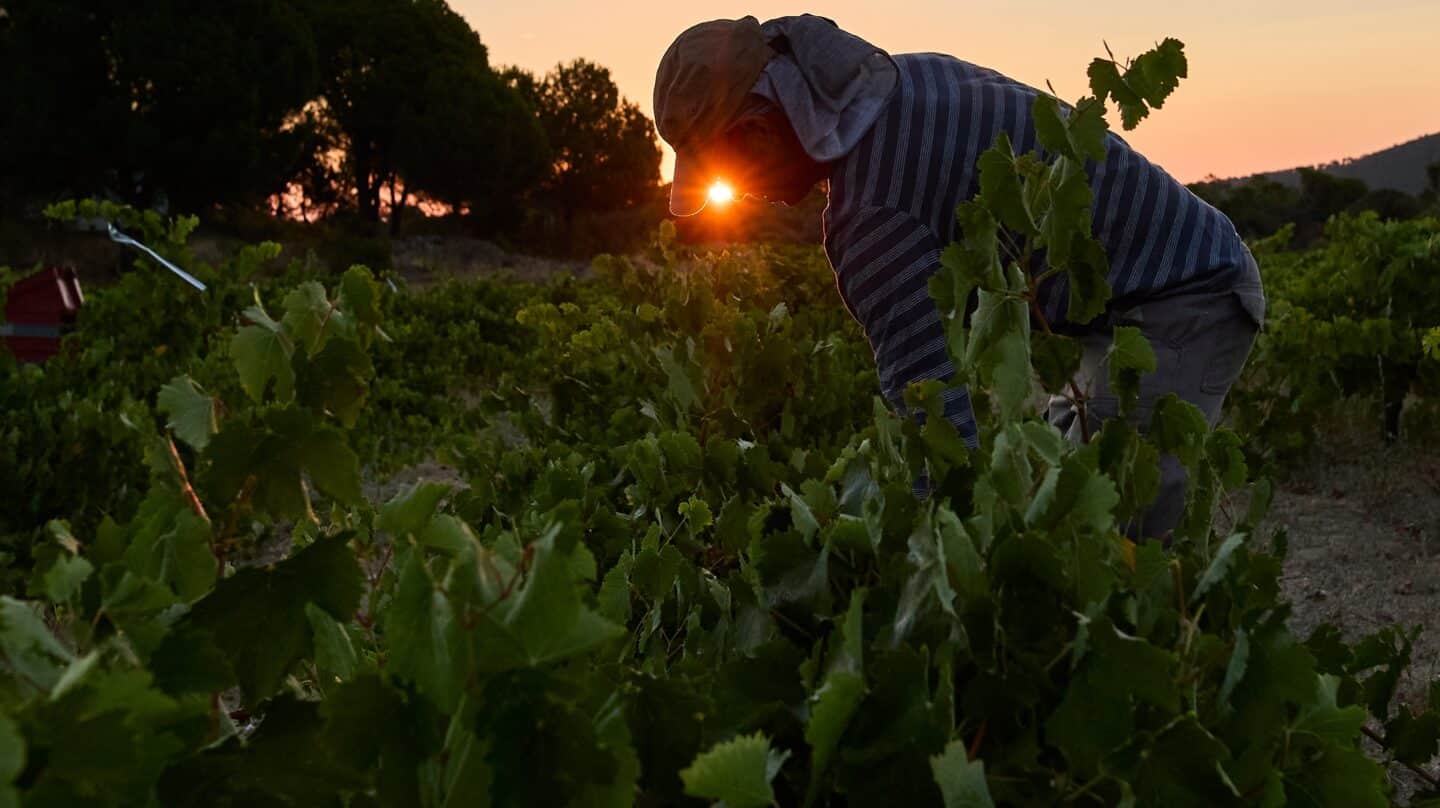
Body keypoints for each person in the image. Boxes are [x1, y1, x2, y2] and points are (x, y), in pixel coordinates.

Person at [652, 14, 1265, 540]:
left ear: (757, 132)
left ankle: (1190, 657)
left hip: (1187, 295)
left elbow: (936, 418)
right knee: (1058, 511)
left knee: (1109, 544)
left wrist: (931, 555)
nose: (752, 194)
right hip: (1138, 299)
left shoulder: (873, 211)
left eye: (728, 169)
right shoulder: (911, 80)